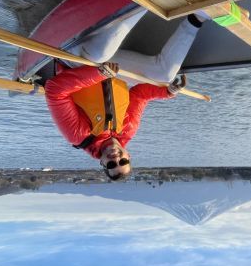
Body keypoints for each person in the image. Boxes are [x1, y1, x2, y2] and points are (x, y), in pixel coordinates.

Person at [43, 10, 207, 180]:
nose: (116, 159)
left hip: (76, 61)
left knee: (101, 53)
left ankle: (137, 1)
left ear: (102, 163)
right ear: (128, 156)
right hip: (111, 70)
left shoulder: (79, 135)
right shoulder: (128, 130)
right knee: (164, 75)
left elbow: (55, 92)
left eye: (111, 165)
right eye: (123, 162)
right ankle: (197, 18)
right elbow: (139, 95)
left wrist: (98, 74)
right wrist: (167, 92)